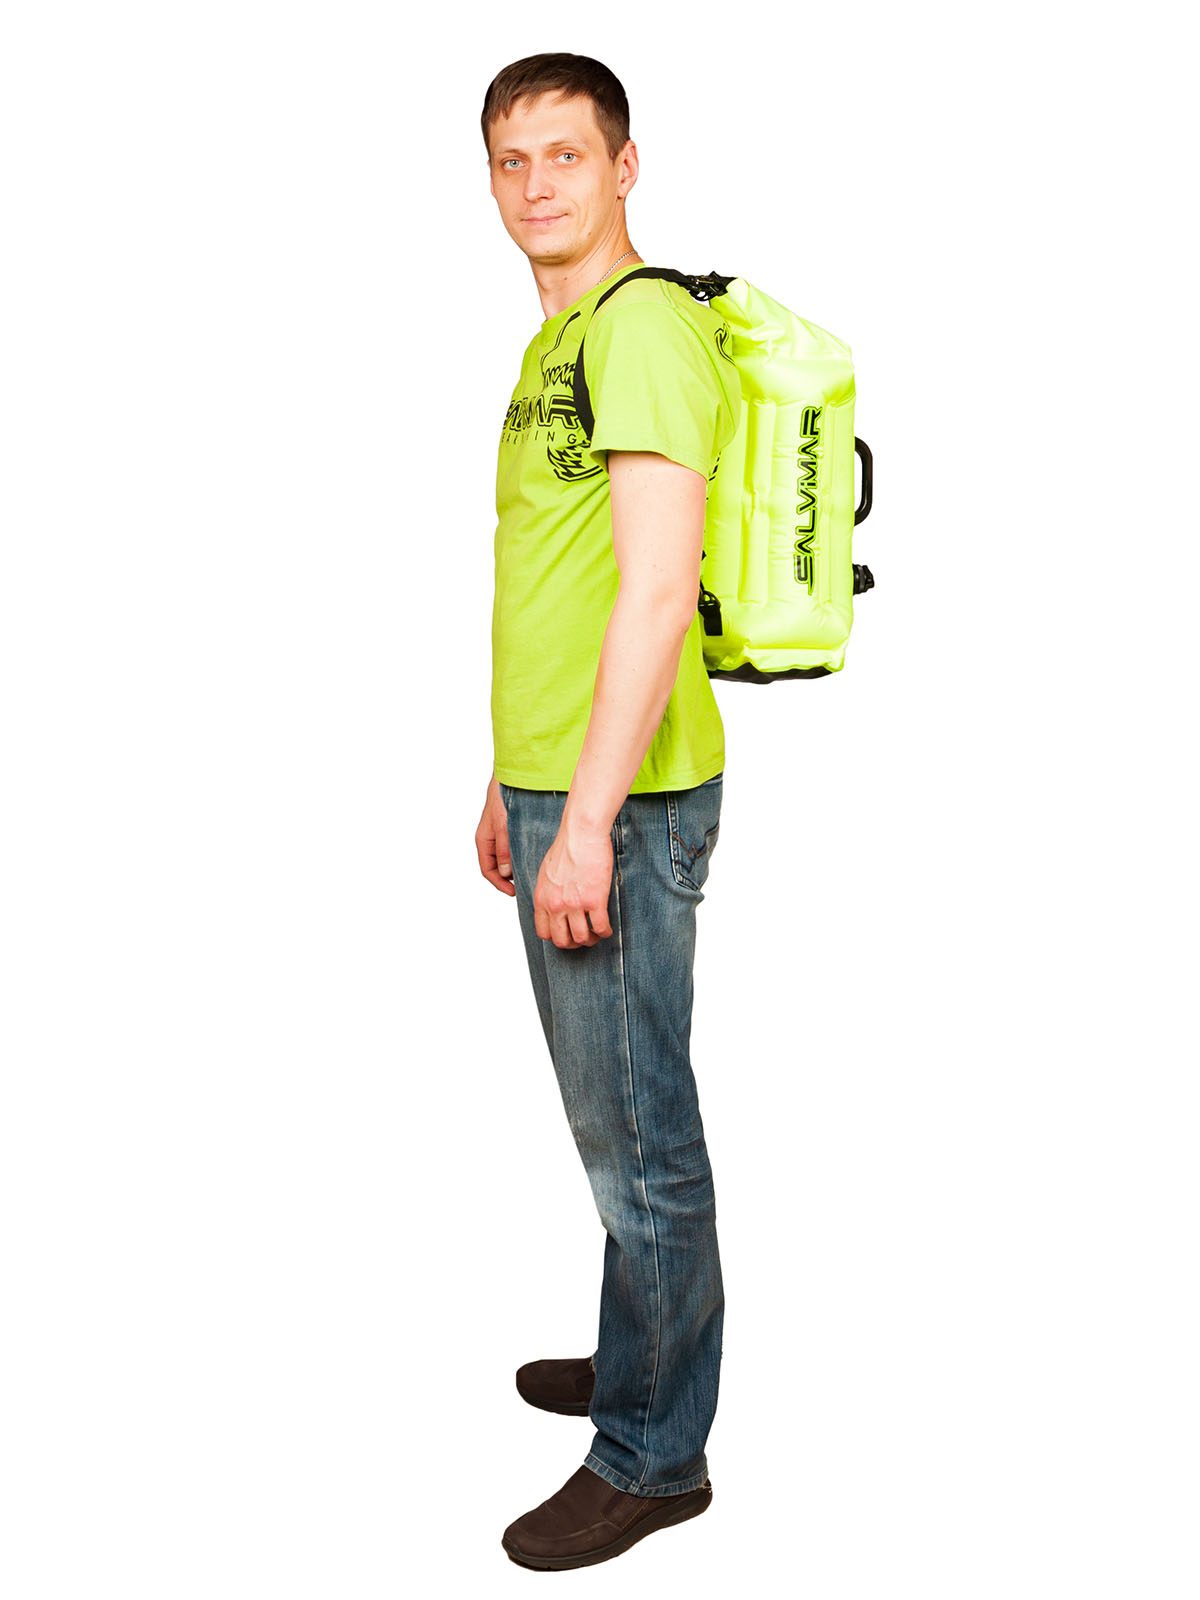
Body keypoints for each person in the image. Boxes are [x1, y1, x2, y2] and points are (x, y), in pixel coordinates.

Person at [475, 52, 742, 1571]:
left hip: (621, 800)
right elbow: (554, 574)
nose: (537, 186)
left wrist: (581, 819)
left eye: (566, 155)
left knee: (643, 1137)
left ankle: (655, 1453)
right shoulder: (557, 336)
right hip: (565, 777)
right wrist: (507, 776)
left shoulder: (639, 330)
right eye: (511, 161)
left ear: (625, 166)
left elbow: (653, 588)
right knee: (614, 1120)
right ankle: (644, 1347)